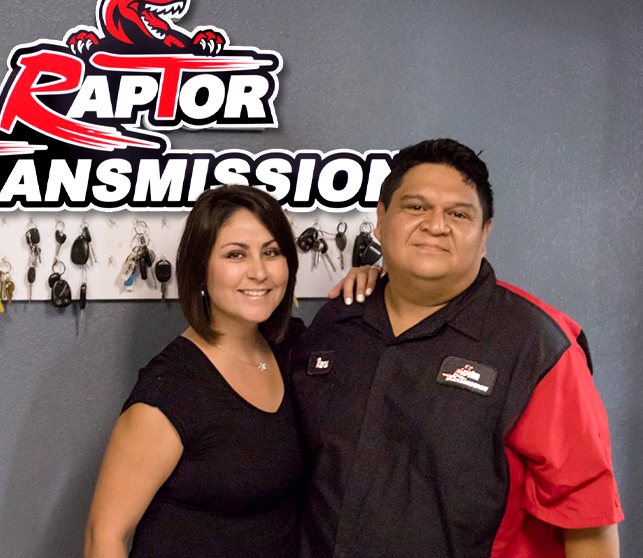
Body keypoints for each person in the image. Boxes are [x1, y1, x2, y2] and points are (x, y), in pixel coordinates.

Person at [291, 139, 623, 558]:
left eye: (458, 213)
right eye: (415, 207)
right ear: (380, 219)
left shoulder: (536, 346)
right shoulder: (337, 323)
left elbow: (587, 517)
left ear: (484, 233)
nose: (435, 224)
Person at [83, 185, 375, 557]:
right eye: (235, 255)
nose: (259, 272)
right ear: (200, 269)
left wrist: (374, 280)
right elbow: (103, 537)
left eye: (271, 252)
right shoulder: (170, 391)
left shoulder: (292, 350)